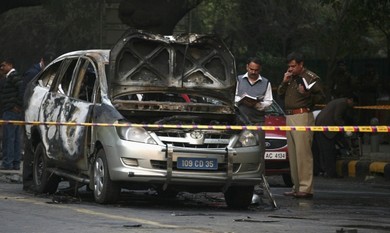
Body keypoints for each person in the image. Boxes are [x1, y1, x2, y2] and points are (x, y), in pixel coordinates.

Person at [277, 52, 326, 198]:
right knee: (293, 154)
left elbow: (321, 96)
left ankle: (306, 187)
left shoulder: (310, 77)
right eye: (289, 66)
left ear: (301, 64)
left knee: (303, 153)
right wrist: (284, 82)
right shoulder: (290, 77)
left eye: (293, 66)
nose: (290, 69)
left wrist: (306, 94)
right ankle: (296, 186)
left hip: (302, 115)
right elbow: (280, 94)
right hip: (290, 116)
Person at [235, 57, 273, 202]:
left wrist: (257, 105)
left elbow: (269, 101)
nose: (253, 72)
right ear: (246, 67)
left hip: (258, 121)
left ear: (260, 70)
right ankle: (238, 181)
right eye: (251, 69)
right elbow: (232, 97)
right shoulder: (238, 80)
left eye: (256, 70)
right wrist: (240, 100)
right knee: (239, 151)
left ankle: (258, 185)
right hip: (240, 121)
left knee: (259, 153)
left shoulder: (266, 82)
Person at [313, 95, 356, 178]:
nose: (353, 106)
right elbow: (337, 118)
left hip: (320, 126)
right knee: (329, 151)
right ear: (351, 99)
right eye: (353, 103)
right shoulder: (343, 103)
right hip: (326, 128)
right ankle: (331, 173)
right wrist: (344, 129)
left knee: (324, 151)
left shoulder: (338, 101)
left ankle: (324, 171)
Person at [0, 58, 23, 170]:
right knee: (15, 138)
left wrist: (17, 105)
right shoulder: (11, 77)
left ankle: (7, 163)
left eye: (3, 65)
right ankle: (15, 162)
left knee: (8, 138)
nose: (2, 68)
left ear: (9, 65)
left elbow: (21, 89)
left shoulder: (14, 76)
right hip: (12, 111)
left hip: (11, 111)